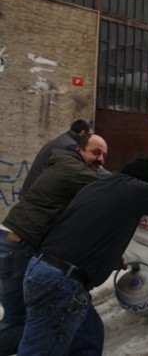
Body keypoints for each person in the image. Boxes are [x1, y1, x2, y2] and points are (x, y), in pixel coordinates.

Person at [17, 158, 148, 356]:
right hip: (62, 283)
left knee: (89, 336)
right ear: (147, 185)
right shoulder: (139, 190)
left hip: (43, 270)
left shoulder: (100, 186)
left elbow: (93, 224)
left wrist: (109, 256)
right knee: (41, 349)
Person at [0, 134, 108, 356]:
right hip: (19, 246)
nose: (101, 159)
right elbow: (112, 189)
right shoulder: (74, 170)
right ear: (79, 150)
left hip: (14, 244)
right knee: (19, 321)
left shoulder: (66, 165)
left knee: (26, 320)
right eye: (95, 152)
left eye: (104, 155)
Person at [19, 119, 93, 198]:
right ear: (82, 133)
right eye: (90, 135)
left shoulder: (63, 140)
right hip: (39, 195)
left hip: (33, 191)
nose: (91, 139)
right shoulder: (70, 146)